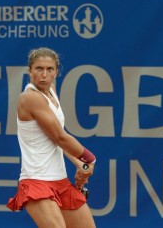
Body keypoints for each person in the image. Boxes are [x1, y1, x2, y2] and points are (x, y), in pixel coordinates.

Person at [6, 47, 96, 228]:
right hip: (36, 181)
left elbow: (55, 139)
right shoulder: (29, 97)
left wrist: (79, 163)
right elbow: (61, 137)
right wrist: (89, 159)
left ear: (56, 72)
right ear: (29, 71)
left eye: (50, 69)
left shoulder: (51, 92)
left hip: (61, 181)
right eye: (39, 69)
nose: (44, 75)